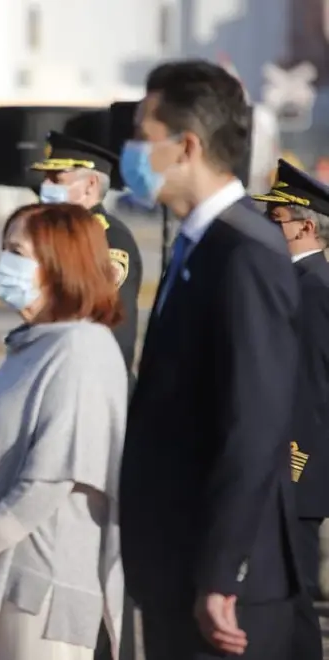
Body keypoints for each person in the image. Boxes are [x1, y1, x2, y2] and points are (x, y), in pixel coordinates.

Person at [119, 60, 300, 660]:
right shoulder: (199, 244)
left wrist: (222, 573)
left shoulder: (245, 253)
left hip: (221, 592)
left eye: (143, 136)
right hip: (178, 566)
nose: (131, 153)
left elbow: (254, 425)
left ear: (187, 146)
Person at [0, 202, 127, 660]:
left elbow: (49, 480)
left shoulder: (82, 349)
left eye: (17, 252)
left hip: (42, 588)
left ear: (61, 263)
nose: (4, 263)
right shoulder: (32, 343)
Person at [252, 158, 329, 660]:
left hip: (298, 467)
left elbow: (314, 391)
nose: (267, 226)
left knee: (294, 594)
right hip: (285, 462)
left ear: (305, 227)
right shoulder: (295, 282)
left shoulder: (315, 289)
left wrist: (294, 464)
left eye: (275, 218)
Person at [31, 131, 143, 378]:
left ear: (90, 185)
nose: (45, 187)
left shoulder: (110, 239)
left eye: (56, 179)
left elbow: (111, 324)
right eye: (46, 178)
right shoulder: (59, 236)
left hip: (94, 380)